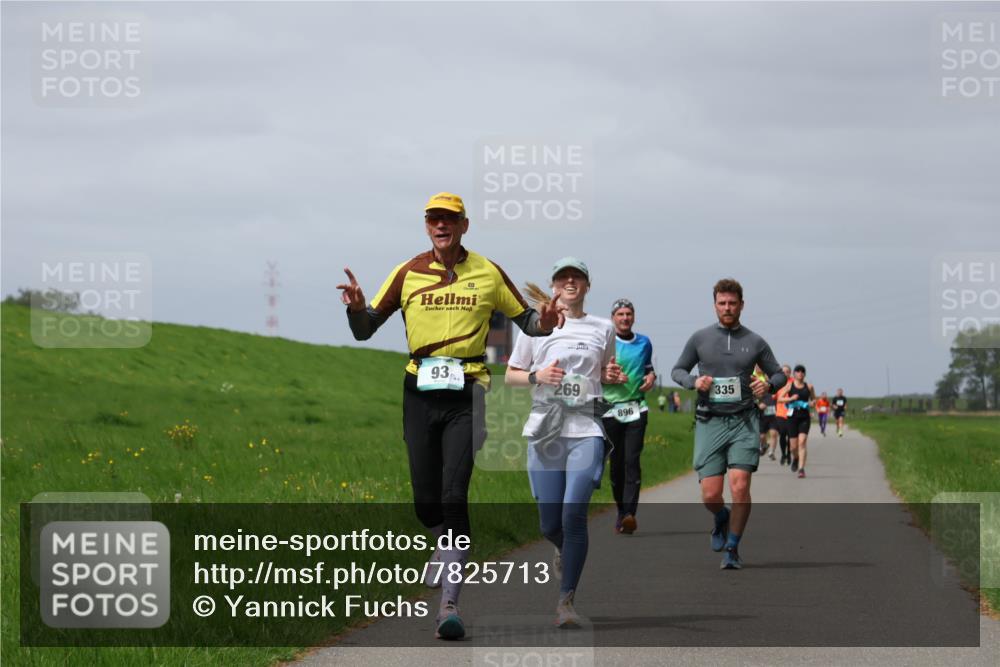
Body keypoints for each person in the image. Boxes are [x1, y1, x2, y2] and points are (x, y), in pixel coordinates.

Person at [338, 192, 565, 640]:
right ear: (427, 226)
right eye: (433, 219)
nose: (441, 225)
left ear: (464, 225)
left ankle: (449, 604)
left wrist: (549, 319)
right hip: (419, 391)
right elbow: (365, 330)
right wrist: (354, 308)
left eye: (449, 219)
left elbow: (530, 324)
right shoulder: (407, 272)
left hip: (469, 390)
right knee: (426, 503)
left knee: (453, 492)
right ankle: (443, 543)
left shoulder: (488, 271)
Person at [506, 257, 626, 628]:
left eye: (577, 277)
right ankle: (560, 547)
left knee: (574, 512)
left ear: (587, 286)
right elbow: (511, 376)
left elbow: (605, 374)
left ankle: (566, 602)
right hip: (545, 427)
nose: (570, 281)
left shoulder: (602, 328)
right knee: (548, 523)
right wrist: (537, 375)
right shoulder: (534, 326)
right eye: (563, 277)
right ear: (554, 285)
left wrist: (612, 376)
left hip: (585, 426)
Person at [671, 278, 785, 570]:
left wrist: (768, 386)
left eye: (732, 303)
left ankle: (732, 548)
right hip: (710, 420)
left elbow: (779, 374)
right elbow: (678, 370)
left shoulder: (755, 341)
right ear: (715, 305)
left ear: (741, 305)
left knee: (740, 486)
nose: (727, 308)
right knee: (710, 494)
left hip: (744, 420)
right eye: (722, 303)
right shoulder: (700, 339)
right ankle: (720, 516)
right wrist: (694, 381)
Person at [601, 298, 656, 535]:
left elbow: (647, 367)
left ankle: (630, 514)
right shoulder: (605, 342)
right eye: (620, 314)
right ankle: (621, 511)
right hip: (610, 409)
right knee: (617, 465)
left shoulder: (644, 342)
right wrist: (609, 377)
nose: (625, 318)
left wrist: (651, 377)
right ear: (613, 318)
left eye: (628, 314)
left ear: (633, 317)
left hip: (636, 408)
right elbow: (594, 371)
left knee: (632, 461)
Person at [778, 365, 815, 478]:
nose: (800, 373)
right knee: (793, 447)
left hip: (804, 417)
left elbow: (813, 399)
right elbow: (780, 399)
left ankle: (801, 469)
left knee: (802, 442)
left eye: (802, 371)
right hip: (792, 417)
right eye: (798, 371)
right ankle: (796, 458)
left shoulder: (809, 386)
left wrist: (812, 404)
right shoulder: (789, 386)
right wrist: (790, 399)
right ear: (794, 374)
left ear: (804, 374)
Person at [773, 364, 793, 466]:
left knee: (790, 436)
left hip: (792, 414)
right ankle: (783, 454)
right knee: (782, 435)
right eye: (783, 371)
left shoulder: (794, 383)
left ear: (790, 373)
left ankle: (789, 454)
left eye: (787, 371)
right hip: (780, 413)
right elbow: (773, 396)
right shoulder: (778, 383)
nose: (785, 373)